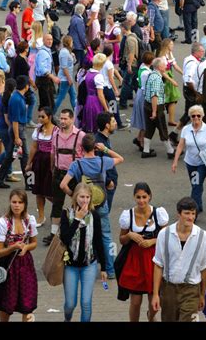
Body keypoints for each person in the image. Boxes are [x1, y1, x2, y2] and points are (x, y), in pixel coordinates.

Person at [60, 133, 124, 280]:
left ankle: (86, 266)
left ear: (81, 148)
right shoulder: (103, 161)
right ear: (95, 147)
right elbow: (121, 159)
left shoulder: (77, 164)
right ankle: (110, 270)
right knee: (106, 236)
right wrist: (105, 149)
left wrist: (74, 195)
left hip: (83, 207)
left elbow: (63, 185)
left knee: (84, 234)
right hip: (100, 204)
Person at [0, 189, 38, 322]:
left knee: (27, 302)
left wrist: (26, 247)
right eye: (14, 202)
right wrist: (13, 247)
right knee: (6, 303)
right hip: (8, 265)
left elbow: (34, 243)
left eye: (20, 202)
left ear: (25, 204)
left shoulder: (30, 221)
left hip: (25, 265)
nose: (16, 205)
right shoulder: (3, 222)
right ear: (10, 203)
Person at [152, 197, 206, 322]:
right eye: (187, 213)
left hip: (191, 290)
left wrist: (202, 295)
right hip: (168, 289)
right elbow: (158, 265)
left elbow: (204, 268)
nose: (190, 217)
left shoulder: (203, 236)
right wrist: (156, 294)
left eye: (193, 213)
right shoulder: (164, 234)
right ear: (179, 214)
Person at [117, 182, 169, 322]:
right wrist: (129, 235)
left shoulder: (159, 213)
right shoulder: (128, 215)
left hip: (154, 259)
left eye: (144, 197)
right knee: (135, 301)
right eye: (138, 197)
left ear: (150, 196)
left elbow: (167, 236)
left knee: (155, 301)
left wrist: (152, 241)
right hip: (135, 260)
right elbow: (121, 240)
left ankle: (151, 317)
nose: (141, 201)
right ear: (134, 197)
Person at [59, 183, 107, 322]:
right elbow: (65, 238)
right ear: (75, 197)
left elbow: (98, 241)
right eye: (81, 197)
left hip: (89, 264)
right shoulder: (66, 213)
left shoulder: (94, 216)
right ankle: (67, 318)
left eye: (87, 197)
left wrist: (103, 267)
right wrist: (77, 219)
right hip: (70, 265)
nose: (84, 200)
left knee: (86, 303)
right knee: (70, 304)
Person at [44, 108, 85, 247]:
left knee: (79, 203)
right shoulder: (55, 134)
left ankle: (82, 230)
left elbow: (86, 155)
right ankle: (53, 234)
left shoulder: (80, 135)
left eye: (65, 118)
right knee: (57, 204)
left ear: (72, 119)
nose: (62, 121)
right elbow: (52, 152)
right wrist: (52, 169)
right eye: (61, 118)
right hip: (59, 173)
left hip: (74, 176)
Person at [172, 105, 206, 213]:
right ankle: (199, 205)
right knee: (195, 184)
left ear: (202, 116)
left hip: (202, 162)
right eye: (193, 116)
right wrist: (175, 161)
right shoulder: (186, 130)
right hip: (190, 162)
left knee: (196, 185)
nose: (196, 118)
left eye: (198, 116)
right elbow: (180, 145)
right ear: (190, 117)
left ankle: (193, 210)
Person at [0, 75, 30, 189]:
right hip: (18, 131)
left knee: (10, 156)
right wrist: (17, 137)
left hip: (17, 130)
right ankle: (29, 183)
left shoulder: (17, 97)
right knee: (24, 157)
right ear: (26, 86)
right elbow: (14, 121)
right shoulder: (17, 99)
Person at [27, 107, 55, 226]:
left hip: (50, 163)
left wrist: (54, 167)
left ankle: (59, 210)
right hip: (39, 162)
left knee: (49, 192)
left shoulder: (56, 131)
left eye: (43, 117)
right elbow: (34, 147)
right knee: (38, 191)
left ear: (49, 117)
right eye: (39, 116)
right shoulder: (38, 130)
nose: (40, 119)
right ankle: (41, 216)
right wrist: (29, 163)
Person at [143, 58, 175, 160]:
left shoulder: (152, 75)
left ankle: (146, 150)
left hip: (147, 104)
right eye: (164, 65)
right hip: (156, 106)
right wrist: (154, 111)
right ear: (159, 67)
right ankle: (170, 151)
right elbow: (155, 96)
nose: (166, 66)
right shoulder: (157, 79)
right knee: (162, 128)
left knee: (149, 128)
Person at [80, 53, 109, 133]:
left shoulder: (88, 73)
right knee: (97, 122)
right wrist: (106, 108)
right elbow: (100, 95)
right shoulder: (98, 76)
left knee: (90, 121)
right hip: (95, 101)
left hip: (88, 99)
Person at [34, 33, 59, 111]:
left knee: (49, 102)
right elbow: (42, 68)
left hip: (46, 80)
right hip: (43, 80)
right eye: (48, 39)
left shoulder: (47, 51)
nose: (50, 41)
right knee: (47, 104)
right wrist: (52, 77)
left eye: (51, 39)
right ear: (43, 41)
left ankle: (49, 120)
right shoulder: (43, 53)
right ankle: (47, 121)